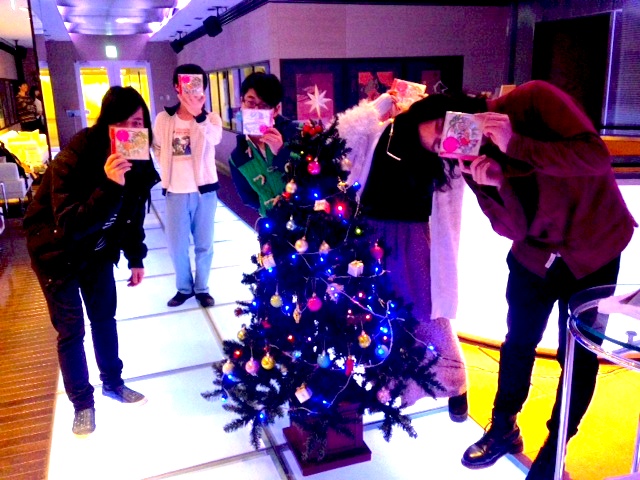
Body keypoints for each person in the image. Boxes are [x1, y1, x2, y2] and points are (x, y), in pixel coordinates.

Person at [394, 80, 636, 478]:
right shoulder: (469, 161)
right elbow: (513, 229)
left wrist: (515, 144)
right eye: (438, 147)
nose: (448, 144)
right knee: (518, 342)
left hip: (594, 250)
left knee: (578, 354)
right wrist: (498, 185)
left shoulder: (532, 101)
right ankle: (503, 427)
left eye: (441, 129)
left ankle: (555, 447)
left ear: (454, 110)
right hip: (535, 255)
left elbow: (595, 157)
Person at [23, 86, 160, 436]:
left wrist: (136, 257)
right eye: (124, 123)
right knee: (71, 330)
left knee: (104, 318)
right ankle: (82, 403)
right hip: (57, 254)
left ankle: (113, 382)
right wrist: (110, 185)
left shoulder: (138, 161)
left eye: (139, 123)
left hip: (97, 252)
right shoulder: (77, 154)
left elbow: (132, 215)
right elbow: (69, 224)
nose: (132, 131)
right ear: (107, 124)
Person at [336, 91, 469, 422]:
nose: (440, 137)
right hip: (368, 236)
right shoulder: (384, 131)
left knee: (426, 312)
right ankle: (395, 385)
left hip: (413, 240)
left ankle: (454, 383)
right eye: (437, 126)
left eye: (448, 130)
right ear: (423, 115)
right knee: (377, 313)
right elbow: (342, 137)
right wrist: (380, 105)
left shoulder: (448, 156)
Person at [153, 64, 223, 308]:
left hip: (205, 192)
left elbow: (215, 138)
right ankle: (184, 288)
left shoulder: (211, 118)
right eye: (187, 83)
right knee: (176, 246)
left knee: (205, 244)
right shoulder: (164, 119)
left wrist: (199, 115)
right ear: (177, 86)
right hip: (175, 192)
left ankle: (202, 288)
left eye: (198, 83)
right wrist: (165, 169)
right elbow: (157, 147)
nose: (193, 88)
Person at [229, 72, 298, 217]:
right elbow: (249, 198)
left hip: (307, 219)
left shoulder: (295, 134)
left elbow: (312, 176)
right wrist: (266, 209)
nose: (255, 110)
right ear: (242, 103)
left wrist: (281, 152)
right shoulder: (238, 157)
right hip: (273, 223)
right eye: (250, 102)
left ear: (276, 110)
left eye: (264, 105)